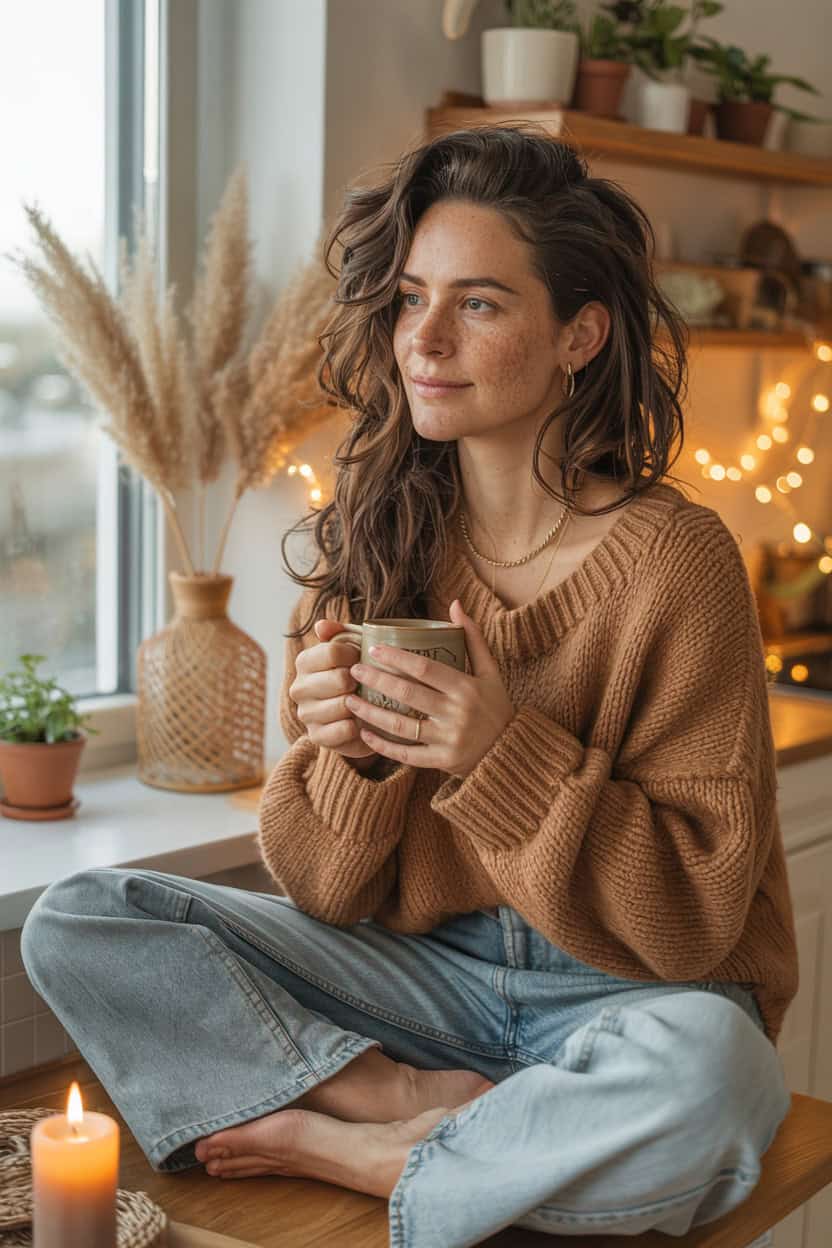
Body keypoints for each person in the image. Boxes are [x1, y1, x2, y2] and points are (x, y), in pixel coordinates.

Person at [20, 124, 797, 1248]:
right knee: (83, 918)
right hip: (422, 988)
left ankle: (357, 1149)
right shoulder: (375, 541)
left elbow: (690, 926)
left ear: (578, 333)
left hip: (627, 996)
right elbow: (326, 894)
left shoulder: (678, 563)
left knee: (720, 1077)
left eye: (478, 304)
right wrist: (347, 759)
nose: (423, 339)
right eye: (408, 298)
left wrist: (498, 756)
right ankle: (392, 1102)